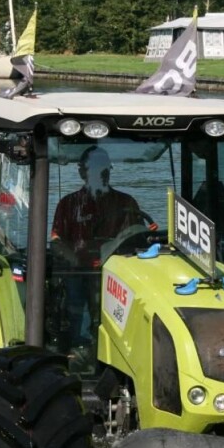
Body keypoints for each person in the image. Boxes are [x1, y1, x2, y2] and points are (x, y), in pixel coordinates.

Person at [50, 146, 144, 352]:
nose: (102, 173)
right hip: (78, 271)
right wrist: (73, 259)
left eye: (105, 168)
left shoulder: (126, 203)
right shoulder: (68, 204)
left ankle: (117, 350)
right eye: (95, 168)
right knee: (77, 311)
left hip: (114, 275)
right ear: (82, 172)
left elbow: (138, 240)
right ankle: (81, 349)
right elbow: (56, 240)